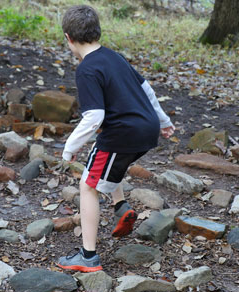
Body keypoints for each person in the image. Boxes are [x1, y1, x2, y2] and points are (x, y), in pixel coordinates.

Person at [57, 5, 175, 272]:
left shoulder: (87, 69)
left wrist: (69, 147)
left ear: (68, 38)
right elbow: (147, 90)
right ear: (98, 32)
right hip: (146, 129)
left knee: (88, 184)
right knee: (108, 160)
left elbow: (94, 116)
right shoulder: (115, 57)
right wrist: (165, 122)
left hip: (124, 133)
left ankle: (88, 257)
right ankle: (121, 206)